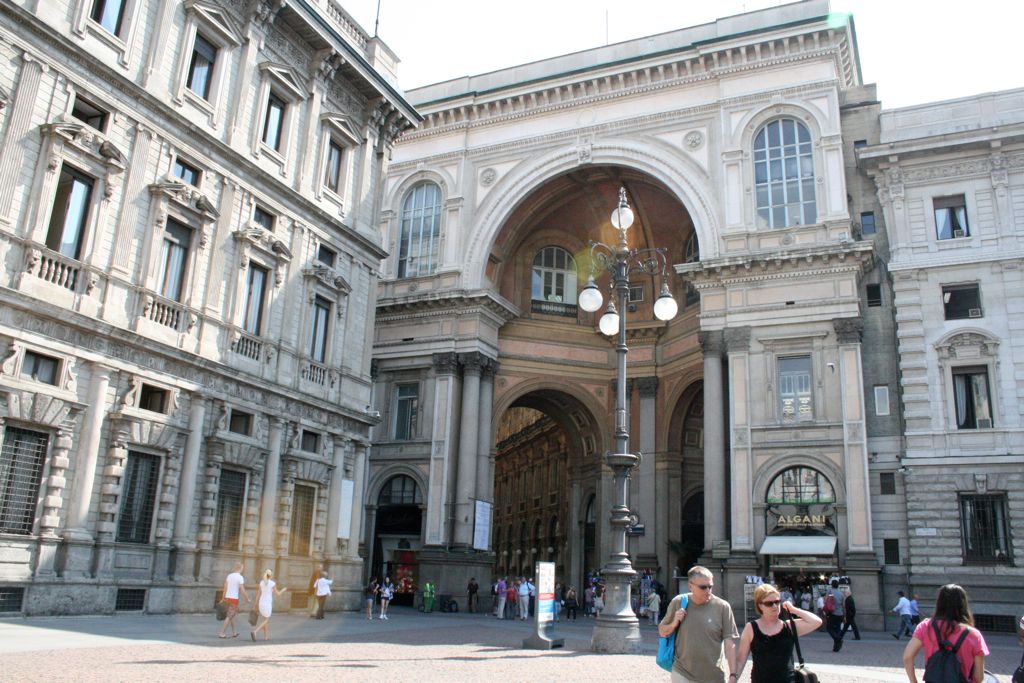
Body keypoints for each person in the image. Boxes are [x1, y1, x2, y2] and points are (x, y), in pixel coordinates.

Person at [658, 565, 739, 683]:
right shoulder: (679, 602)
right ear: (690, 586)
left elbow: (729, 643)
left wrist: (733, 674)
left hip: (714, 676)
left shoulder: (722, 607)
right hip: (682, 672)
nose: (708, 591)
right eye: (703, 587)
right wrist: (674, 623)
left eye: (710, 587)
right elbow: (662, 631)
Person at [902, 584, 990, 683]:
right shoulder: (974, 635)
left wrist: (913, 681)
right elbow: (978, 677)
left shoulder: (926, 626)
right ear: (963, 604)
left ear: (939, 603)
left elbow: (907, 657)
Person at [735, 584, 822, 683]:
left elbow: (816, 622)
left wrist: (794, 610)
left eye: (777, 602)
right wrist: (733, 679)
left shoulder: (789, 626)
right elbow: (740, 660)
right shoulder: (751, 628)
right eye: (769, 603)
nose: (775, 606)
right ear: (760, 605)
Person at [251, 569, 287, 641]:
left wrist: (255, 605)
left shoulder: (261, 583)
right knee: (266, 620)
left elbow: (258, 595)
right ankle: (255, 631)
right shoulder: (272, 583)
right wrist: (283, 590)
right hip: (267, 603)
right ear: (271, 575)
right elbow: (278, 594)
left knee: (265, 619)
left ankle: (266, 637)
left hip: (261, 603)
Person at [218, 562, 249, 639]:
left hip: (228, 598)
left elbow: (225, 587)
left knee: (231, 615)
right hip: (234, 599)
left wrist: (223, 597)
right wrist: (247, 598)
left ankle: (234, 632)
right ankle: (222, 633)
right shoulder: (240, 577)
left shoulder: (229, 576)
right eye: (242, 568)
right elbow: (242, 589)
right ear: (241, 568)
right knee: (229, 616)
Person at [825, 579, 846, 652]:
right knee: (837, 630)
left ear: (832, 585)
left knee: (829, 628)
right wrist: (844, 615)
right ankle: (836, 648)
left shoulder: (830, 591)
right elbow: (843, 605)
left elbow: (826, 600)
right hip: (840, 614)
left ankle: (838, 639)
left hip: (832, 613)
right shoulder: (841, 593)